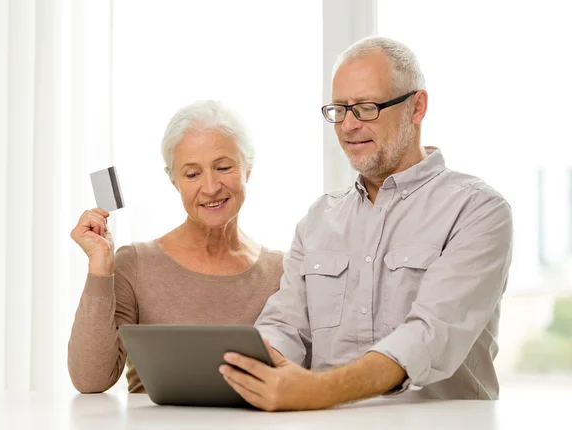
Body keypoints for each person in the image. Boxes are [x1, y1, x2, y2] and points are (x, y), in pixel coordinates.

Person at [218, 36, 513, 411]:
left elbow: (429, 335)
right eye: (339, 109)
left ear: (417, 107)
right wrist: (250, 368)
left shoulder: (477, 210)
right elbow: (285, 326)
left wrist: (317, 391)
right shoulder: (317, 219)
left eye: (367, 108)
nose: (348, 126)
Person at [68, 100, 284, 393]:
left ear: (247, 170)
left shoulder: (282, 272)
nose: (210, 187)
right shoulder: (134, 263)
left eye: (223, 167)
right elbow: (91, 381)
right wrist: (100, 268)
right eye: (192, 174)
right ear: (174, 181)